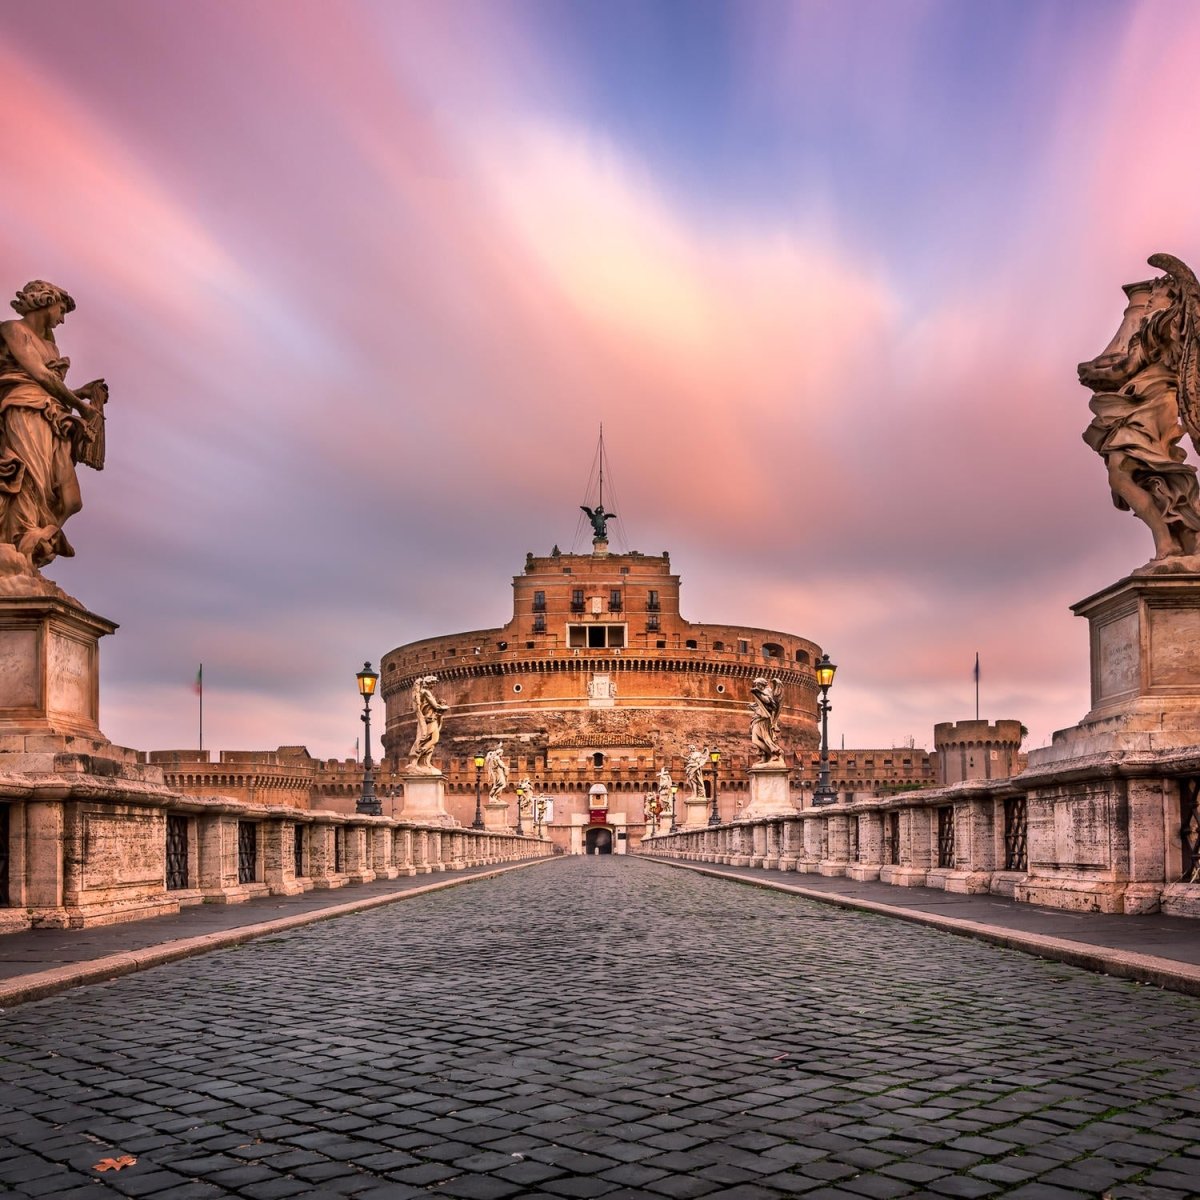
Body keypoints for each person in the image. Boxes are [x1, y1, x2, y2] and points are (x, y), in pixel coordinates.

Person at [1080, 257, 1200, 561]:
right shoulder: (1158, 324)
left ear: (1170, 296)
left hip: (1154, 401)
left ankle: (1168, 541)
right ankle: (1169, 540)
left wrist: (1096, 373)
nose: (1148, 301)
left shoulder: (1162, 323)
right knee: (1128, 473)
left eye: (1155, 294)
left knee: (1123, 472)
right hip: (1143, 400)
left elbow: (1127, 366)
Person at [0, 280, 107, 569]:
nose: (61, 319)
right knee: (29, 479)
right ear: (45, 301)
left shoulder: (50, 345)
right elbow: (39, 375)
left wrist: (80, 394)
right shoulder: (13, 329)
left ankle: (37, 540)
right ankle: (19, 546)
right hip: (23, 409)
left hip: (53, 418)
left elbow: (52, 384)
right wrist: (81, 408)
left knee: (61, 494)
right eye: (60, 310)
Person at [408, 675, 447, 770]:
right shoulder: (426, 692)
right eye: (433, 683)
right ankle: (416, 759)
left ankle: (424, 762)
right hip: (429, 720)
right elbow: (436, 706)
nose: (434, 685)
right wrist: (445, 707)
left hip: (429, 719)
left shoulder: (421, 692)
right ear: (429, 683)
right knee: (427, 739)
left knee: (431, 741)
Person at [750, 676, 784, 764]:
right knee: (757, 739)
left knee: (765, 738)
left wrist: (758, 693)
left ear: (762, 684)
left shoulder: (767, 691)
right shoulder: (761, 691)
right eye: (756, 685)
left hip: (764, 719)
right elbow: (761, 704)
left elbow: (768, 701)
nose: (757, 686)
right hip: (758, 718)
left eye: (758, 685)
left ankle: (775, 753)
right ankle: (764, 757)